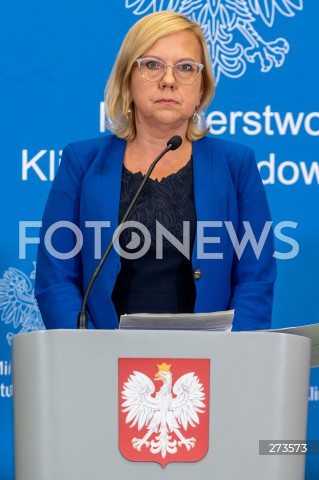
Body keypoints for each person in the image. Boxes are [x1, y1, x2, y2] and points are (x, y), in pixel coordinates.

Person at [35, 11, 276, 331]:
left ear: (201, 90)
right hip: (103, 359)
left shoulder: (236, 164)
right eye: (152, 65)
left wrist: (229, 356)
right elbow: (56, 279)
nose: (169, 79)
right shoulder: (82, 162)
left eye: (186, 67)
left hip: (212, 363)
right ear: (126, 80)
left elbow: (255, 280)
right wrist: (89, 353)